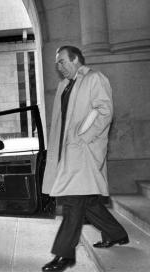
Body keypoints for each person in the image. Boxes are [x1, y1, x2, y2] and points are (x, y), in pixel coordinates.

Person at [41, 46, 129, 272]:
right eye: (57, 63)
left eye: (62, 62)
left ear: (76, 59)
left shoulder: (94, 79)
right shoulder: (64, 86)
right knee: (87, 202)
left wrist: (84, 138)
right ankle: (117, 234)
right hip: (67, 153)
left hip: (84, 153)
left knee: (72, 204)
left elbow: (104, 111)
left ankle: (64, 255)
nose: (58, 67)